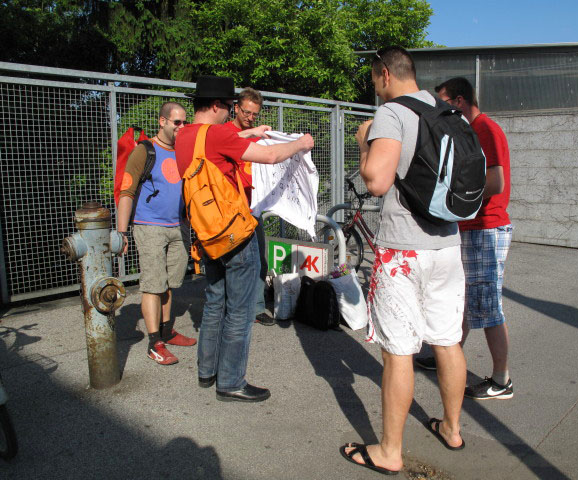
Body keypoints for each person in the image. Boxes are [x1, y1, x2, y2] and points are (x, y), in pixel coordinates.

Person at [340, 47, 466, 476]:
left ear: (384, 74)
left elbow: (376, 181)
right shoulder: (450, 113)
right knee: (447, 340)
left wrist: (364, 142)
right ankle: (451, 428)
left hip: (403, 253)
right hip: (448, 246)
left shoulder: (392, 112)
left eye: (374, 80)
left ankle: (389, 451)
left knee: (398, 352)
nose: (375, 87)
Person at [175, 76, 314, 403]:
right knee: (239, 310)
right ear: (216, 106)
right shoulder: (220, 133)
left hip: (207, 232)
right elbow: (269, 157)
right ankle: (231, 381)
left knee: (214, 301)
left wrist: (251, 132)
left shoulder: (185, 137)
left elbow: (221, 144)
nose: (229, 112)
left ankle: (207, 372)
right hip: (236, 232)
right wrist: (300, 144)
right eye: (226, 106)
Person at [415, 77, 513, 400]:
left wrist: (455, 196)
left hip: (487, 227)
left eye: (443, 103)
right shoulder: (472, 131)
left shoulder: (485, 130)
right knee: (469, 301)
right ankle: (448, 355)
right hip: (475, 227)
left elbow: (496, 181)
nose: (441, 109)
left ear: (458, 101)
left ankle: (501, 380)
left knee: (487, 305)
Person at [117, 101, 196, 366]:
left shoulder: (184, 151)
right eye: (177, 122)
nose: (182, 127)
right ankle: (154, 343)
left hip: (178, 226)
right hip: (149, 226)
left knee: (169, 284)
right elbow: (127, 191)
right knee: (153, 285)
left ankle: (166, 331)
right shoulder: (145, 151)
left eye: (185, 122)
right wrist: (121, 233)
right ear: (162, 122)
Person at [222, 87, 274, 327]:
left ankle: (257, 306)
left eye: (255, 114)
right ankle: (228, 305)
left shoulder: (259, 135)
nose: (250, 118)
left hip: (253, 205)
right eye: (246, 112)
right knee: (230, 259)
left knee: (258, 259)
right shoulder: (224, 131)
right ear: (236, 108)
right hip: (229, 207)